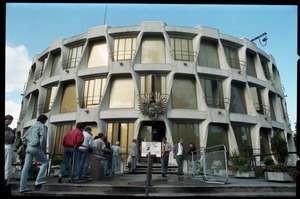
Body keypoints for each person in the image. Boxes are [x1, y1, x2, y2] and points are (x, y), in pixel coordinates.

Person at [19, 114, 49, 193]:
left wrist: (27, 143)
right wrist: (41, 146)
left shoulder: (31, 127)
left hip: (28, 147)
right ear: (44, 120)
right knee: (45, 162)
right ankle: (39, 179)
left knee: (25, 168)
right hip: (35, 147)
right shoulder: (42, 126)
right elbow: (43, 137)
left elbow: (23, 138)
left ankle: (22, 187)